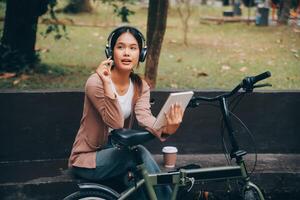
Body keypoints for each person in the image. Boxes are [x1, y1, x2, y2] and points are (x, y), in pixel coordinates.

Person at [68, 26, 184, 199]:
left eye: (133, 48)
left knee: (138, 184)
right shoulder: (96, 83)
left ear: (141, 54)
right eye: (120, 47)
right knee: (139, 152)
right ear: (111, 52)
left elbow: (145, 117)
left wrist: (167, 128)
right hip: (88, 160)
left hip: (117, 154)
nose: (127, 53)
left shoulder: (140, 86)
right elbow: (115, 123)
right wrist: (108, 85)